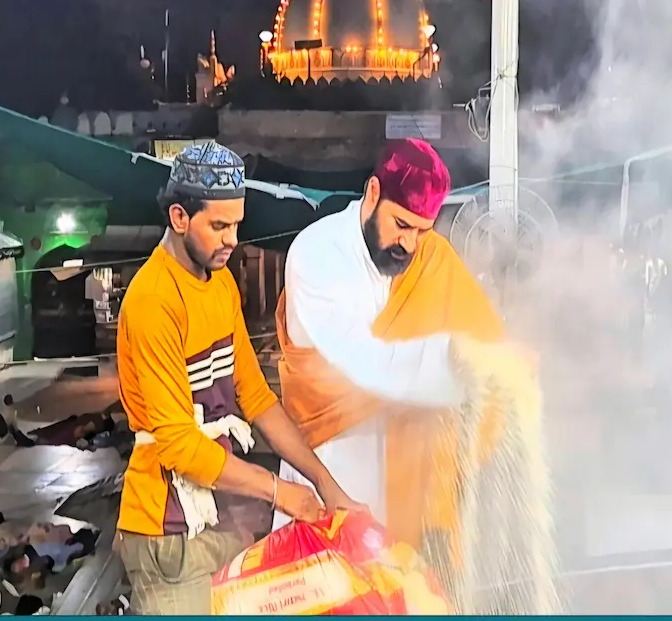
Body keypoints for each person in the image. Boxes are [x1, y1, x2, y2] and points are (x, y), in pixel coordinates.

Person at [116, 141, 363, 615]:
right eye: (219, 226)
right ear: (179, 217)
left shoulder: (222, 282)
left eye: (236, 225)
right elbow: (180, 447)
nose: (232, 240)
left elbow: (256, 397)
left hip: (222, 520)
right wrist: (280, 492)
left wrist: (324, 483)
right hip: (168, 532)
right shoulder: (154, 301)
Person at [274, 138, 513, 552]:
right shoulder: (316, 254)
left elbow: (479, 329)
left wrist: (498, 365)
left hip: (402, 475)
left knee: (397, 580)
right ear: (373, 193)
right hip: (329, 467)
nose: (410, 245)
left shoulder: (428, 257)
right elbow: (360, 365)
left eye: (422, 231)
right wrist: (455, 361)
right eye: (401, 225)